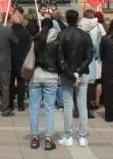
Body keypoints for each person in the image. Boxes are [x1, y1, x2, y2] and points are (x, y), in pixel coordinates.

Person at [56, 9, 94, 147]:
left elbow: (59, 58)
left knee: (68, 105)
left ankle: (68, 136)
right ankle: (82, 136)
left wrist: (71, 73)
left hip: (67, 74)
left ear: (66, 19)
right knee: (82, 105)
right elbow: (89, 55)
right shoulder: (85, 35)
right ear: (78, 19)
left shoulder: (61, 34)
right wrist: (78, 71)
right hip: (81, 73)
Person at [28, 17, 61, 150]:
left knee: (34, 108)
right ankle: (48, 139)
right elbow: (59, 60)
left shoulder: (35, 40)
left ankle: (35, 138)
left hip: (36, 76)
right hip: (51, 77)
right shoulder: (57, 42)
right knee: (49, 108)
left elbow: (31, 59)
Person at [79, 10, 106, 115]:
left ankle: (84, 104)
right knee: (95, 81)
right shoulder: (99, 26)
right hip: (96, 59)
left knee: (86, 82)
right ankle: (95, 101)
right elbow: (103, 41)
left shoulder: (81, 25)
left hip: (85, 59)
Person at [9, 12, 32, 112]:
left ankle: (10, 105)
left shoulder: (9, 31)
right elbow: (29, 46)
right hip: (22, 59)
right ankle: (20, 105)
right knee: (21, 83)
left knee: (10, 83)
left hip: (10, 59)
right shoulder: (26, 32)